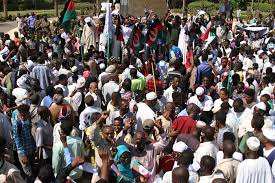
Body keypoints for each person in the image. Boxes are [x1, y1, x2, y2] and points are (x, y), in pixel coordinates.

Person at [12, 104, 36, 182]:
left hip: (31, 150)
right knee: (29, 174)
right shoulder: (17, 124)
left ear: (28, 113)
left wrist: (34, 149)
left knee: (32, 170)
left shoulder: (29, 121)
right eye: (20, 115)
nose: (22, 117)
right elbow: (17, 140)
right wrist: (22, 154)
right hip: (23, 153)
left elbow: (31, 136)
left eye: (24, 115)